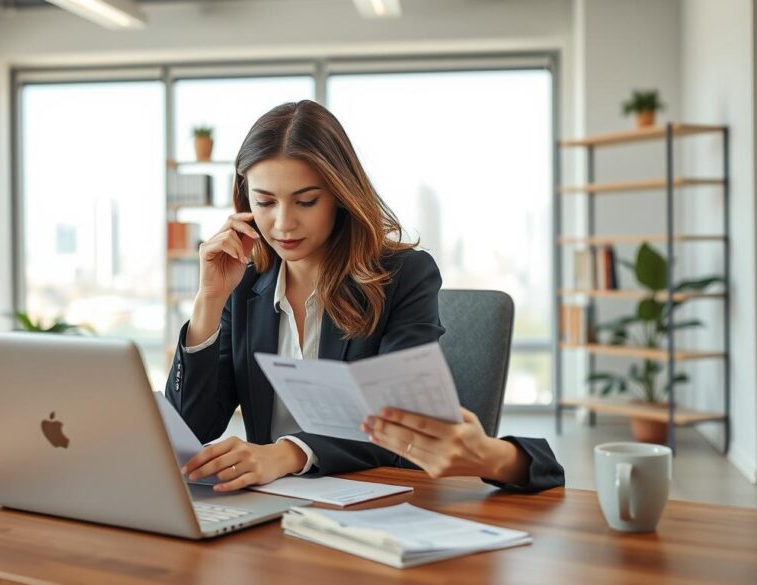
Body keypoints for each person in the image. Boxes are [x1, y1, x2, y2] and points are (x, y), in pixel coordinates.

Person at [164, 99, 563, 493]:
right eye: (265, 202)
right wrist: (209, 301)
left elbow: (395, 426)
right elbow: (192, 427)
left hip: (374, 501)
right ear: (244, 199)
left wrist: (287, 453)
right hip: (270, 507)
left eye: (306, 201)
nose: (283, 223)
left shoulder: (403, 276)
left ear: (339, 193)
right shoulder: (246, 285)